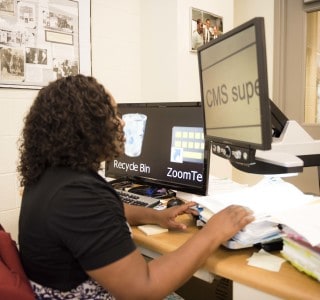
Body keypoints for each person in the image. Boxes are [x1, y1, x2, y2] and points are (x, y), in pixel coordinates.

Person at [18, 74, 254, 300]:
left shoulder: (51, 176)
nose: (121, 121)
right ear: (85, 128)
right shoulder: (80, 196)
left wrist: (156, 216)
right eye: (112, 115)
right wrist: (213, 232)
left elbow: (106, 213)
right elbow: (143, 290)